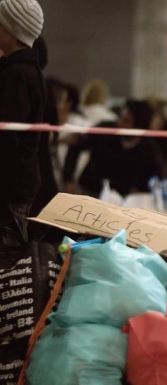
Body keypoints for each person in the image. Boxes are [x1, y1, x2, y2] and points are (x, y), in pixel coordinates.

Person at [0, 0, 46, 244]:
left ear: (10, 29)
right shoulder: (24, 70)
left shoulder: (17, 75)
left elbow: (7, 135)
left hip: (9, 185)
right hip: (17, 181)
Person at [63, 100, 165, 196]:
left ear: (139, 127)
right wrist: (68, 179)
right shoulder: (105, 129)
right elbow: (75, 145)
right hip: (89, 189)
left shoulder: (149, 148)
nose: (120, 124)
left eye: (126, 121)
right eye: (120, 118)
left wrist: (142, 190)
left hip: (122, 199)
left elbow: (158, 175)